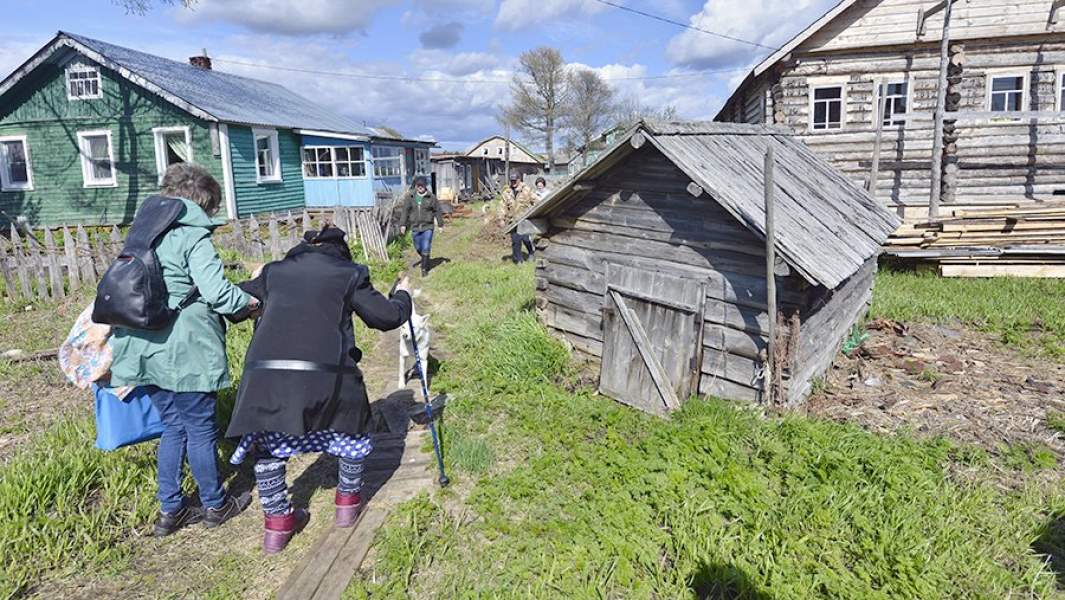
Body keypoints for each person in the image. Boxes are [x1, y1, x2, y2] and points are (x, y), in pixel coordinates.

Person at [226, 225, 413, 554]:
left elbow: (236, 308)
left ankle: (277, 525)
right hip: (328, 378)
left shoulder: (273, 272)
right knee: (351, 431)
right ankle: (347, 505)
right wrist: (403, 295)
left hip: (266, 379)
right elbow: (386, 318)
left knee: (269, 448)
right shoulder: (349, 273)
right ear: (340, 249)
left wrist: (259, 283)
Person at [109, 163, 259, 537]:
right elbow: (217, 293)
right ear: (203, 203)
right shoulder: (193, 236)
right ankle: (214, 503)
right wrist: (252, 301)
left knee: (172, 427)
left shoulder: (140, 235)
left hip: (142, 345)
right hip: (186, 347)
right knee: (200, 426)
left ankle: (170, 510)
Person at [398, 176, 443, 277]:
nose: (420, 187)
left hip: (428, 226)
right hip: (415, 227)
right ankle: (425, 258)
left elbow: (438, 211)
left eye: (422, 185)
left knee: (426, 246)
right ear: (416, 186)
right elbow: (405, 211)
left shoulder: (431, 197)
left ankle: (424, 269)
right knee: (418, 247)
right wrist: (403, 224)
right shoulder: (410, 197)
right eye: (418, 185)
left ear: (425, 186)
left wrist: (440, 224)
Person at [498, 173, 539, 264]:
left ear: (519, 180)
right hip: (512, 220)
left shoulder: (527, 190)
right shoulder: (506, 192)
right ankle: (519, 260)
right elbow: (502, 206)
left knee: (525, 239)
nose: (513, 183)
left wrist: (535, 214)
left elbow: (536, 201)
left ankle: (531, 253)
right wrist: (501, 219)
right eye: (512, 181)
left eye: (515, 180)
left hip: (524, 219)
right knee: (516, 241)